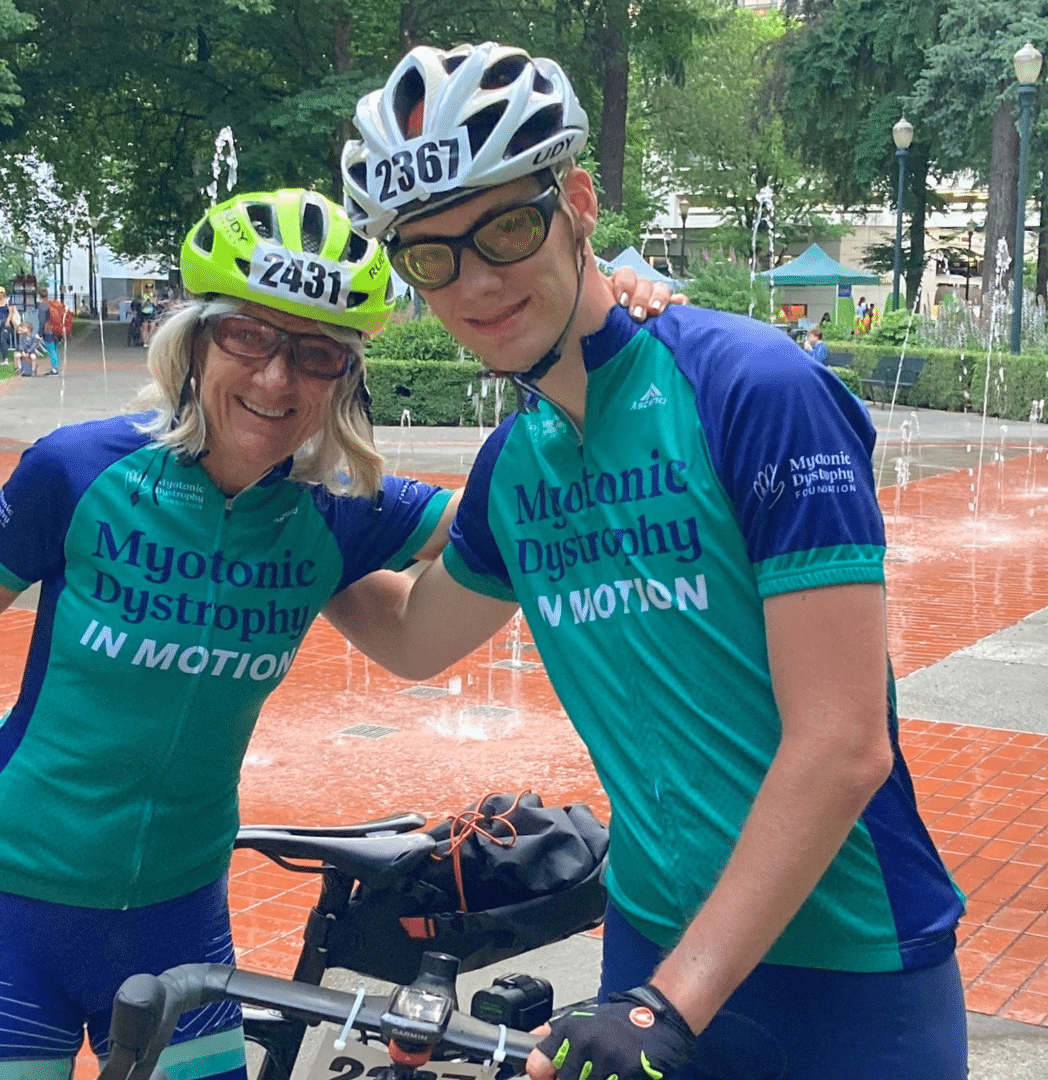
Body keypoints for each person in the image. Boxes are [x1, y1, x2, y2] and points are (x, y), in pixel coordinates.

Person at [0, 187, 676, 1080]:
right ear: (194, 342)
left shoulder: (336, 512)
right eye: (248, 336)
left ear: (343, 378)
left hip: (177, 918)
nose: (277, 379)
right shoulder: (78, 472)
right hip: (8, 907)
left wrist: (611, 343)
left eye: (314, 354)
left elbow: (524, 511)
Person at [329, 42, 965, 1080]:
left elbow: (844, 743)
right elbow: (411, 634)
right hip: (651, 950)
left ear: (577, 201)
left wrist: (670, 1005)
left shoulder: (754, 389)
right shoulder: (514, 465)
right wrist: (293, 523)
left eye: (508, 226)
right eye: (431, 255)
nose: (476, 282)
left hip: (843, 966)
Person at [37, 287, 63, 375]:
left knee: (51, 349)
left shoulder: (42, 306)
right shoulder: (53, 303)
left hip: (48, 331)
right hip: (57, 329)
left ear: (39, 296)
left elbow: (42, 321)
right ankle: (56, 367)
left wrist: (39, 333)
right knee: (55, 349)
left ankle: (54, 369)